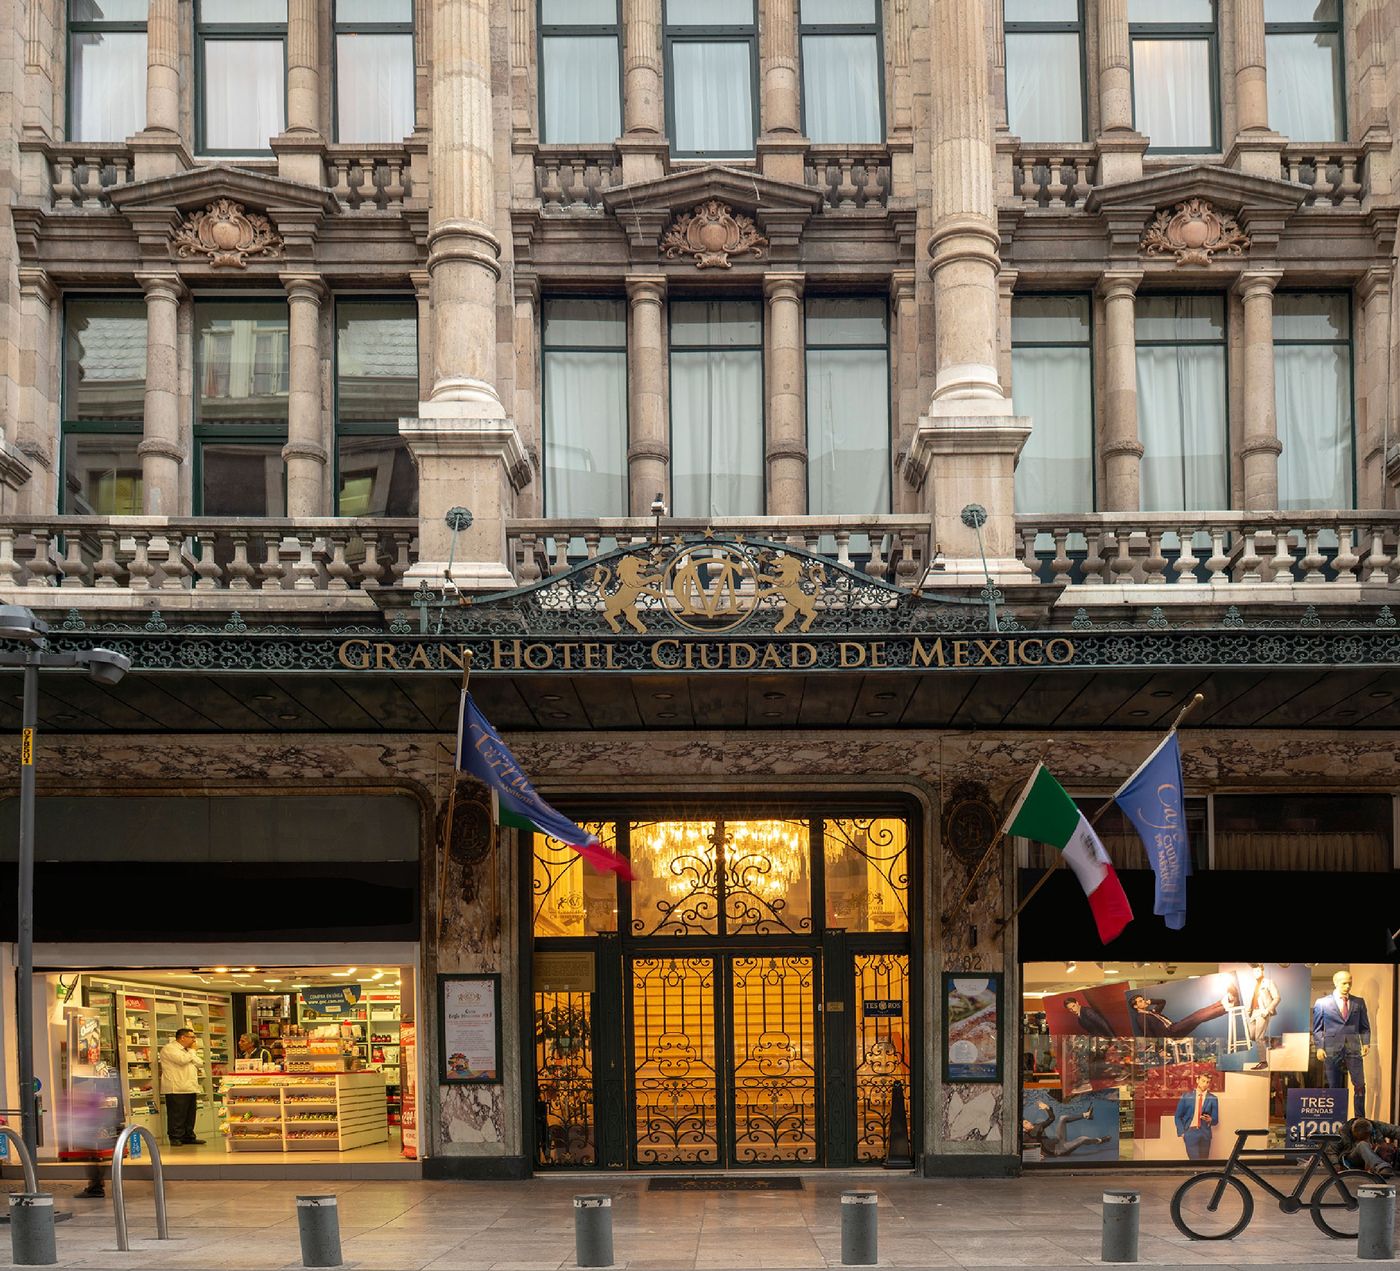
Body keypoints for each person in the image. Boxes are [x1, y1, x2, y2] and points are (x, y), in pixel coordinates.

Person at [1313, 970, 1371, 1117]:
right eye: (1344, 983)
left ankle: (1359, 1120)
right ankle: (1334, 1118)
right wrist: (1320, 1047)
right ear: (1335, 982)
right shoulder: (1322, 1003)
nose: (1348, 986)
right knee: (1334, 1085)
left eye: (1350, 983)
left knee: (1359, 1084)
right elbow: (1318, 1029)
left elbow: (1364, 1026)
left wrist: (1366, 1043)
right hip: (1331, 1047)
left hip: (1353, 1047)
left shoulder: (1358, 1002)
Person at [1130, 985, 1240, 1039]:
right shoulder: (1141, 1018)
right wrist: (1160, 1049)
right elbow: (1148, 1034)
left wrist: (1151, 1001)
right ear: (1136, 1006)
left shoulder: (1151, 1012)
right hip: (1170, 1033)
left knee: (1198, 1014)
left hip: (1174, 1026)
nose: (1143, 1001)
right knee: (1198, 1018)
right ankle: (1226, 1007)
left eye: (1143, 999)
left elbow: (1162, 1002)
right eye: (1140, 1001)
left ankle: (1225, 1001)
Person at [158, 1027, 205, 1146]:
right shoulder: (169, 1048)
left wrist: (191, 1053)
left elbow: (199, 1063)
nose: (194, 1040)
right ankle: (175, 1137)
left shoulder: (186, 1050)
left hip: (190, 1086)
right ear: (183, 1037)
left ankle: (188, 1136)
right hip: (176, 1088)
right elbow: (182, 1060)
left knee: (190, 1115)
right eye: (192, 1037)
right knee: (177, 1115)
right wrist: (192, 1052)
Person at [1022, 1099, 1111, 1159]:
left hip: (1058, 1140)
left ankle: (1086, 1115)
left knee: (1062, 1118)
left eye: (1027, 1121)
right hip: (1060, 1150)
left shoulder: (1037, 1125)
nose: (1029, 1122)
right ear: (1024, 1129)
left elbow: (1051, 1118)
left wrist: (1047, 1108)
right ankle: (1100, 1140)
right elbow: (1021, 1147)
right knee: (1083, 1138)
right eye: (1026, 1123)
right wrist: (1035, 1155)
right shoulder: (1027, 1136)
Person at [1174, 1074, 1219, 1160]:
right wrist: (1182, 1132)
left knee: (1204, 1162)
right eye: (1203, 1081)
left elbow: (1215, 1120)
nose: (1205, 1084)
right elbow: (1178, 1116)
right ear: (1197, 1080)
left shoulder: (1213, 1098)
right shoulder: (1186, 1096)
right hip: (1190, 1132)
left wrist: (1210, 1120)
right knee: (1194, 1161)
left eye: (1208, 1082)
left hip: (1205, 1133)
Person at [1239, 964, 1281, 1042]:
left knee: (1258, 1038)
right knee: (1250, 1036)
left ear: (1262, 971)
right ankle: (1265, 1045)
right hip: (1254, 1012)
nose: (1256, 973)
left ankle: (1262, 1052)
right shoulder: (1255, 984)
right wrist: (1250, 1008)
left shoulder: (1269, 982)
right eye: (1254, 971)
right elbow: (1255, 998)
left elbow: (1277, 998)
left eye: (1258, 971)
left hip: (1262, 1011)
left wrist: (1267, 1010)